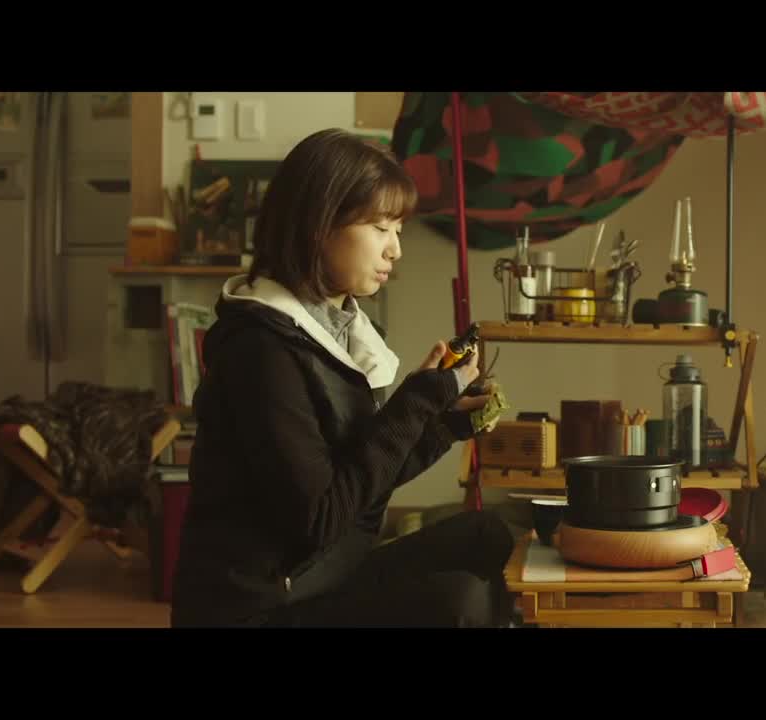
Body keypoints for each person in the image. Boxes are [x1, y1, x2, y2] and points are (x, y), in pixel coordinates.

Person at [170, 129, 515, 628]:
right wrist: (415, 403)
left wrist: (443, 425)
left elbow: (359, 479)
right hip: (257, 609)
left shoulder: (339, 330)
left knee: (487, 535)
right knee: (460, 603)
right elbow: (321, 519)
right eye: (381, 227)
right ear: (319, 224)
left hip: (326, 577)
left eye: (398, 229)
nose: (395, 249)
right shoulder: (261, 350)